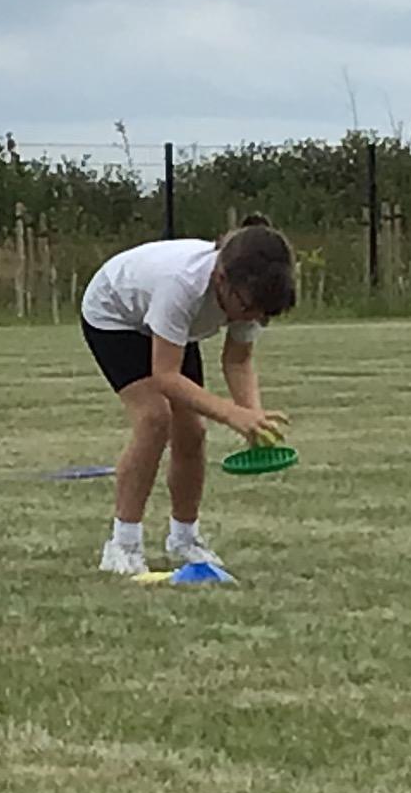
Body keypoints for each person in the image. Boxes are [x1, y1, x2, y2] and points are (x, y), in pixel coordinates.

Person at [76, 219, 295, 576]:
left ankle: (184, 538)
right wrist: (232, 414)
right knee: (154, 418)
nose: (253, 317)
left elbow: (237, 361)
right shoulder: (182, 285)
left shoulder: (251, 293)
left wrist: (253, 417)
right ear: (221, 279)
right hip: (115, 315)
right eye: (248, 308)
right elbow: (166, 376)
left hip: (172, 325)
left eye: (263, 313)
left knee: (193, 431)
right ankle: (122, 545)